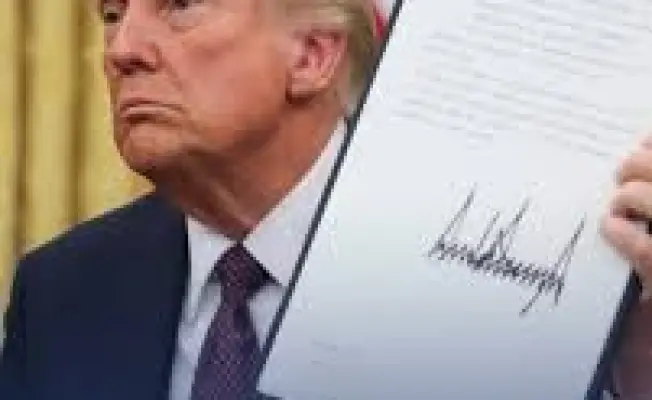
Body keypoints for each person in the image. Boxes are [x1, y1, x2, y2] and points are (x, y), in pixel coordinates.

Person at [0, 0, 651, 399]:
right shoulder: (61, 289)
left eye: (181, 4)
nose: (122, 51)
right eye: (112, 15)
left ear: (312, 56)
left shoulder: (490, 263)